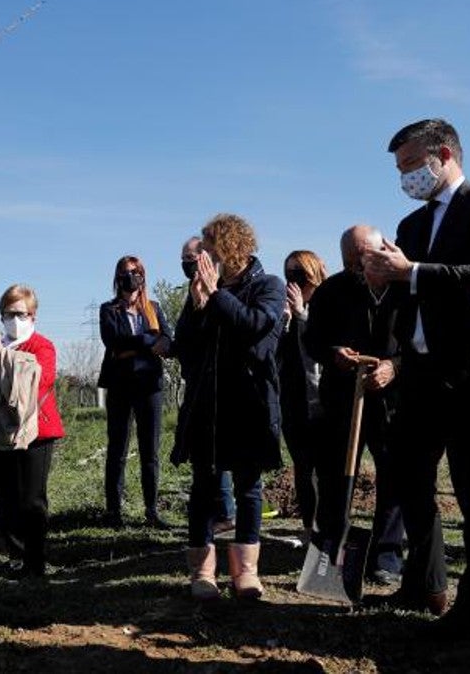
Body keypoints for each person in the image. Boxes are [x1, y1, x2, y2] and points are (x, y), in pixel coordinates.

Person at [363, 118, 470, 634]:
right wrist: (384, 283)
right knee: (409, 482)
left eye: (411, 165)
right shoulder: (410, 227)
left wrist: (410, 273)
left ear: (444, 155)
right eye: (400, 170)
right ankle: (424, 582)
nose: (405, 177)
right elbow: (407, 296)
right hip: (420, 374)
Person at [171, 213, 284, 600]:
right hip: (207, 404)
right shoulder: (202, 290)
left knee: (249, 487)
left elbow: (255, 327)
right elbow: (183, 345)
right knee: (203, 487)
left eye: (209, 249)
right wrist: (198, 306)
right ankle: (202, 572)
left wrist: (218, 296)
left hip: (249, 404)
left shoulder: (268, 285)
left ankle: (246, 572)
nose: (202, 258)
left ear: (231, 249)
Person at [303, 225, 406, 585]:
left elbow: (422, 342)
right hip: (344, 398)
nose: (359, 269)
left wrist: (395, 366)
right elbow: (312, 339)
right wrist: (334, 354)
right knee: (334, 475)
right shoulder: (331, 291)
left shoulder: (405, 288)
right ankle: (330, 547)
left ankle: (387, 555)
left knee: (394, 476)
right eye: (351, 262)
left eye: (366, 260)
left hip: (392, 400)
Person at [0, 284, 65, 579]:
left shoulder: (41, 346)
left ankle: (35, 561)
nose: (15, 319)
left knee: (32, 500)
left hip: (35, 432)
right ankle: (15, 557)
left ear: (33, 315)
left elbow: (41, 381)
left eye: (21, 313)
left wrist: (3, 359)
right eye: (8, 313)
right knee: (5, 497)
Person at [98, 256, 174, 529]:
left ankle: (151, 511)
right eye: (125, 272)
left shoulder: (153, 308)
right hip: (120, 386)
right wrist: (146, 341)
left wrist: (144, 344)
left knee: (150, 450)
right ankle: (113, 512)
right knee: (117, 448)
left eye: (135, 272)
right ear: (117, 277)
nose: (131, 277)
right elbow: (113, 341)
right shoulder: (109, 309)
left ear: (143, 275)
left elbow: (167, 340)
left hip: (150, 386)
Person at [176, 237, 236, 534]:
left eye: (192, 256)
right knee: (203, 456)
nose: (187, 263)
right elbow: (184, 337)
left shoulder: (222, 291)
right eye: (184, 258)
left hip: (220, 387)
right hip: (196, 383)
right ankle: (213, 513)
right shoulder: (192, 294)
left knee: (219, 454)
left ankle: (226, 512)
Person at [277, 250, 326, 543]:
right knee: (303, 469)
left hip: (322, 398)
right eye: (288, 272)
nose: (293, 278)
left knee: (325, 470)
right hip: (292, 399)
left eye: (298, 271)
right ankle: (309, 527)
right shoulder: (285, 309)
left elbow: (320, 348)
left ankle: (328, 528)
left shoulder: (325, 302)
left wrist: (302, 314)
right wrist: (284, 321)